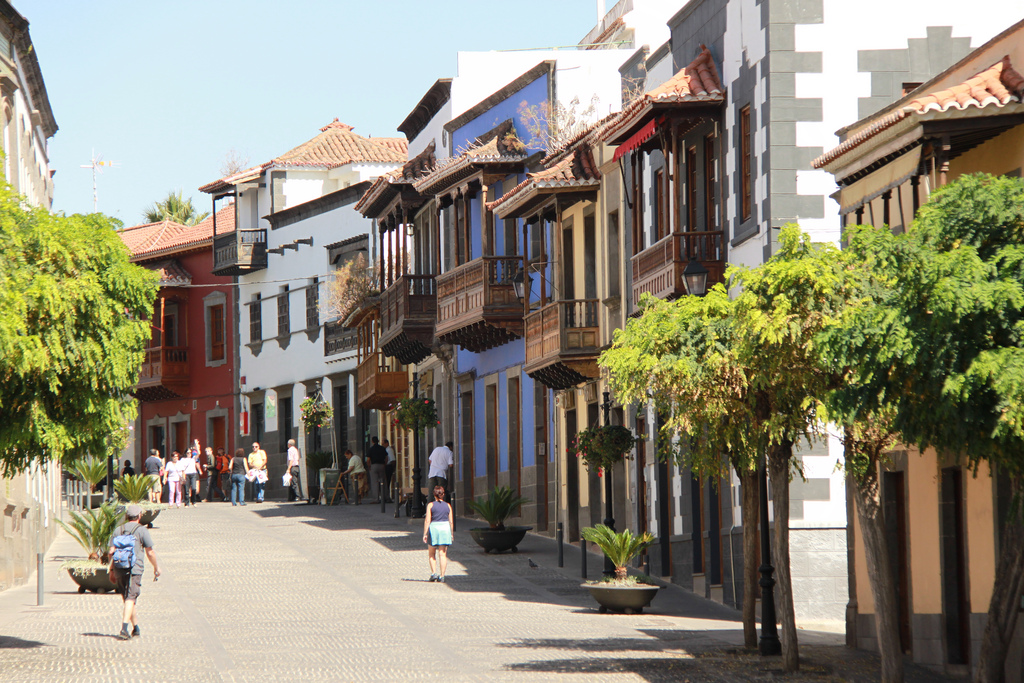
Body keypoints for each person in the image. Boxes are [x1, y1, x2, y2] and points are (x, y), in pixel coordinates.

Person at [109, 504, 160, 640]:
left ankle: (135, 628)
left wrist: (111, 570)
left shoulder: (118, 530)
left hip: (119, 568)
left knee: (128, 599)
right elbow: (150, 552)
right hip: (134, 569)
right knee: (131, 598)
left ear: (126, 516)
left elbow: (110, 552)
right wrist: (156, 568)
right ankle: (124, 629)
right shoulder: (142, 530)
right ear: (139, 516)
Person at [422, 485, 454, 583]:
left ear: (434, 495)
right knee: (443, 553)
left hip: (434, 528)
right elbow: (451, 521)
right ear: (443, 494)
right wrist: (451, 533)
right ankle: (442, 576)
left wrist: (425, 533)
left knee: (432, 553)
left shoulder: (430, 505)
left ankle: (434, 573)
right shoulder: (448, 505)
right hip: (445, 528)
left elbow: (427, 520)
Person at [366, 436, 389, 503]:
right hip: (382, 465)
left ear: (372, 441)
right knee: (383, 482)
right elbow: (386, 457)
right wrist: (384, 464)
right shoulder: (382, 448)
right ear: (378, 441)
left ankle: (376, 499)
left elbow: (368, 460)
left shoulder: (371, 449)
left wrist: (369, 466)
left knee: (374, 482)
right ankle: (386, 497)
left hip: (374, 465)